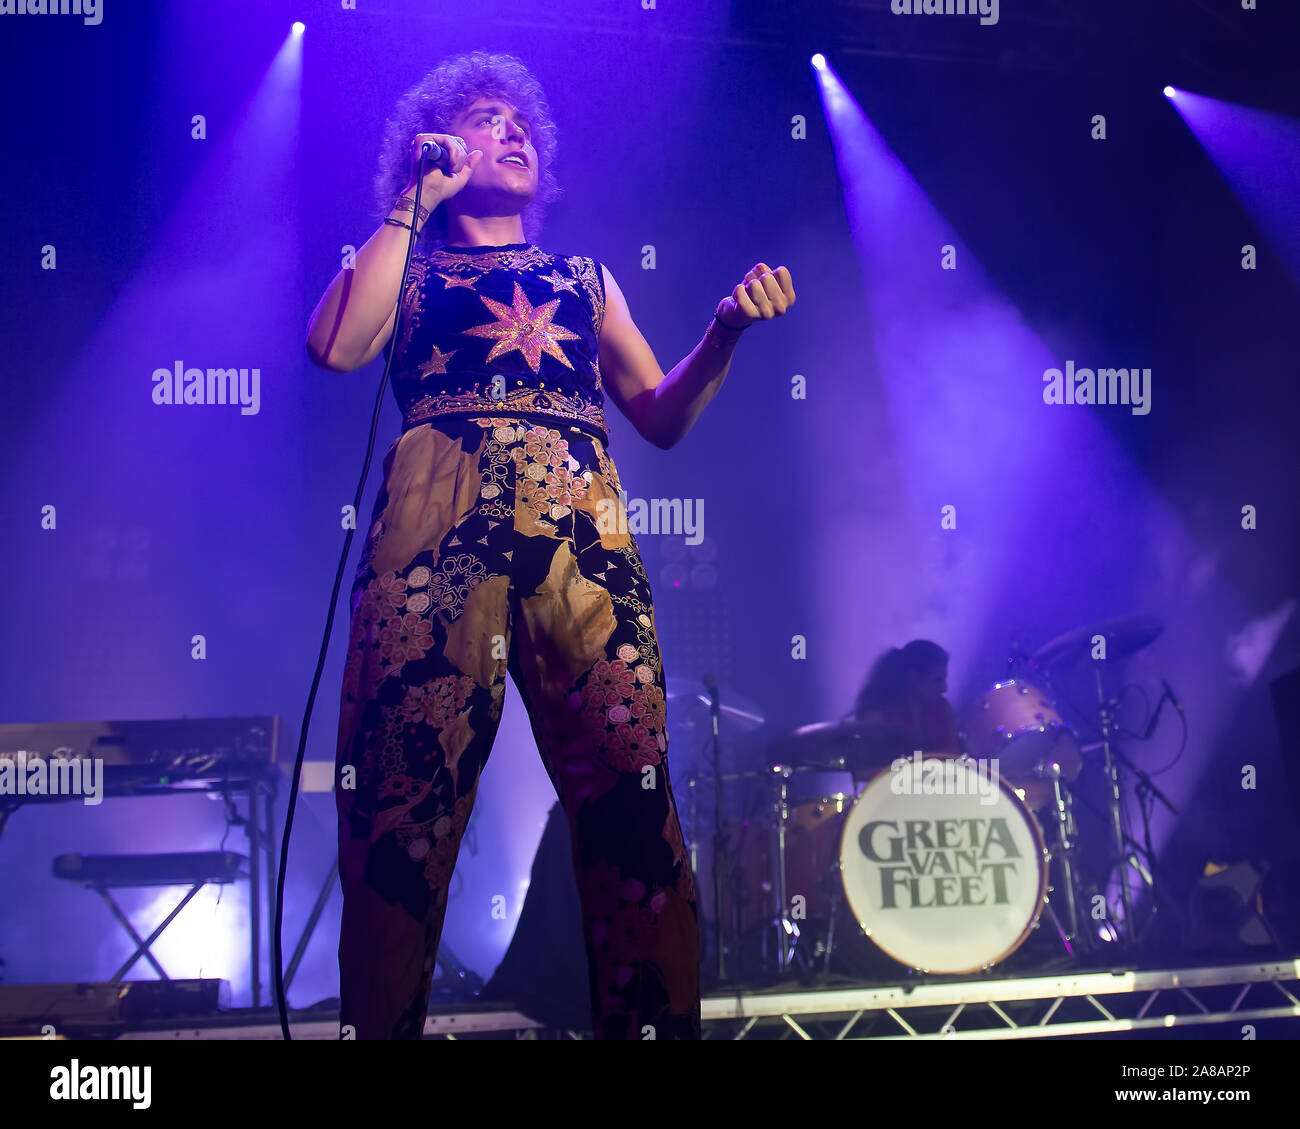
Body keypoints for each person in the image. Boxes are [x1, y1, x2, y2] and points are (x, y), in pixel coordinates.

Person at [305, 50, 795, 1040]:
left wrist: (724, 332)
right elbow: (335, 346)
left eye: (520, 120)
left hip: (581, 543)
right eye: (485, 120)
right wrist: (410, 200)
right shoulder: (405, 259)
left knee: (628, 795)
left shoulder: (583, 277)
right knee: (403, 806)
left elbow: (657, 414)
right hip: (430, 535)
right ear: (434, 146)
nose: (514, 132)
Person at [851, 639, 960, 758]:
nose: (944, 688)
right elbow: (865, 770)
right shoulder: (876, 716)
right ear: (913, 678)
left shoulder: (943, 710)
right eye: (937, 680)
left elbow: (952, 758)